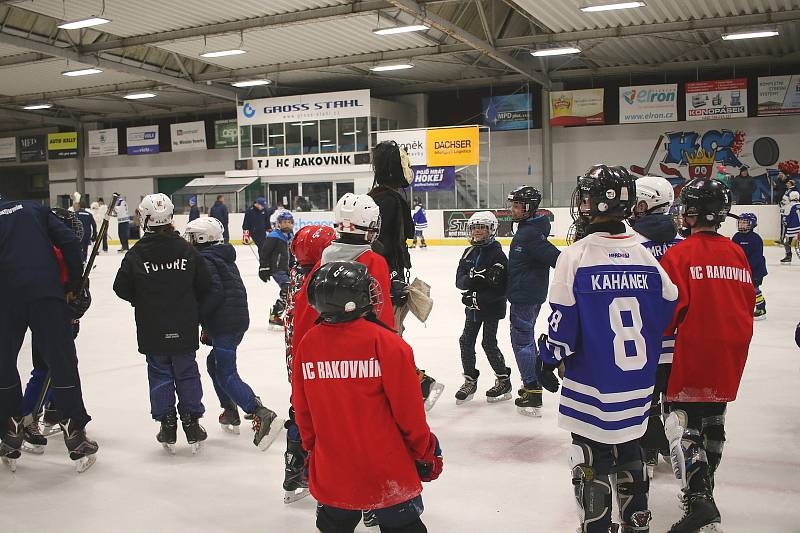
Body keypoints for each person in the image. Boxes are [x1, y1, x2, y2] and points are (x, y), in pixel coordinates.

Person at [537, 164, 678, 533]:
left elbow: (562, 328)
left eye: (586, 195)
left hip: (591, 383)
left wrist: (547, 357)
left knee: (590, 457)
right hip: (637, 384)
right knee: (631, 449)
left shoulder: (576, 255)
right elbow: (669, 301)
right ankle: (637, 520)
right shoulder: (646, 254)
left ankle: (597, 525)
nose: (582, 202)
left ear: (597, 203)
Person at [292, 261, 442, 533]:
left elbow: (303, 410)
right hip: (387, 467)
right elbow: (409, 413)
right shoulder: (388, 343)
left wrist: (314, 450)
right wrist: (425, 452)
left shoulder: (309, 343)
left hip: (333, 466)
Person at [659, 178, 755, 532]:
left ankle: (699, 500)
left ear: (694, 212)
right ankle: (707, 490)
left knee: (681, 423)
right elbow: (747, 301)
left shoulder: (679, 254)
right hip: (732, 349)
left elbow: (668, 312)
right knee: (713, 421)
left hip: (694, 348)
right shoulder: (736, 252)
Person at [0, 196, 98, 473]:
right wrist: (74, 282)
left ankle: (10, 427)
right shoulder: (34, 208)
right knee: (61, 361)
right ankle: (74, 433)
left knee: (4, 362)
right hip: (46, 292)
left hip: (6, 298)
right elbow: (69, 241)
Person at [113, 194, 212, 454]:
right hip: (184, 325)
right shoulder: (187, 250)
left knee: (160, 374)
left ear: (146, 219)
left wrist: (142, 298)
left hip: (152, 327)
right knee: (187, 372)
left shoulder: (137, 253)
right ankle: (192, 423)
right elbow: (205, 285)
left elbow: (120, 287)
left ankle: (167, 423)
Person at [184, 217, 283, 449]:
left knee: (226, 372)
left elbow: (214, 294)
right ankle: (230, 410)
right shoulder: (219, 255)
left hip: (225, 322)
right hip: (232, 320)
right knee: (214, 364)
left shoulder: (205, 260)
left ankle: (260, 412)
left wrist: (198, 317)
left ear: (201, 238)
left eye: (190, 237)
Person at [368, 141, 442, 408]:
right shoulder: (390, 198)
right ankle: (414, 383)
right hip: (386, 278)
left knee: (387, 336)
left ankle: (416, 383)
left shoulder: (379, 196)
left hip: (382, 279)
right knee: (389, 336)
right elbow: (392, 241)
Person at [629, 175, 682, 474]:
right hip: (677, 340)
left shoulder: (632, 243)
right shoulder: (682, 242)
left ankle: (649, 448)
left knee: (644, 399)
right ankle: (672, 444)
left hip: (645, 338)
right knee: (670, 398)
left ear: (645, 202)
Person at [281, 223, 336, 504]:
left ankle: (293, 474)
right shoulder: (321, 281)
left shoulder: (295, 276)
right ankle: (322, 473)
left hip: (296, 364)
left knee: (299, 412)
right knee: (324, 417)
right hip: (317, 364)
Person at [505, 185, 560, 417]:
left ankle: (532, 388)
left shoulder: (529, 233)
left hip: (525, 296)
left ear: (529, 208)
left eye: (517, 206)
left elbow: (556, 258)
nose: (513, 210)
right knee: (523, 338)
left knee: (521, 339)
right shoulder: (529, 229)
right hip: (526, 293)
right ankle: (532, 382)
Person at [454, 211, 512, 405]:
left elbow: (500, 288)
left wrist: (479, 297)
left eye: (482, 228)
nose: (478, 231)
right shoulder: (469, 252)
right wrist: (472, 281)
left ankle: (503, 380)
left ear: (491, 230)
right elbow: (459, 281)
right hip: (472, 308)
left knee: (488, 343)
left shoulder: (497, 253)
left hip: (491, 308)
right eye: (475, 228)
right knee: (465, 341)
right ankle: (470, 380)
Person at [259, 210, 294, 326]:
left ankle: (287, 313)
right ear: (279, 223)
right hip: (278, 269)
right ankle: (275, 315)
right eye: (284, 222)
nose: (287, 224)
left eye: (289, 222)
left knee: (292, 290)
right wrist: (263, 268)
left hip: (287, 269)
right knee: (288, 289)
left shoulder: (290, 236)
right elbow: (265, 253)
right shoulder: (274, 236)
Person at [733, 213, 768, 320]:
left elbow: (757, 256)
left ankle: (761, 308)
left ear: (752, 224)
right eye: (740, 222)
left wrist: (747, 267)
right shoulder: (736, 237)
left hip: (756, 270)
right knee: (740, 289)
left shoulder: (756, 238)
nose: (742, 224)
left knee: (754, 289)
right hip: (741, 269)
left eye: (745, 222)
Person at [71, 199, 97, 264]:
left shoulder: (76, 214)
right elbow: (94, 225)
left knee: (79, 247)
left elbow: (72, 224)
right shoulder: (89, 214)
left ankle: (80, 260)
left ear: (79, 206)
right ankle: (84, 260)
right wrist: (94, 234)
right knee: (85, 248)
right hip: (87, 233)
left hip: (79, 233)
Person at [781, 190, 800, 264]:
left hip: (793, 228)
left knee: (787, 241)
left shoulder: (789, 206)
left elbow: (786, 219)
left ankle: (788, 256)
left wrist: (785, 224)